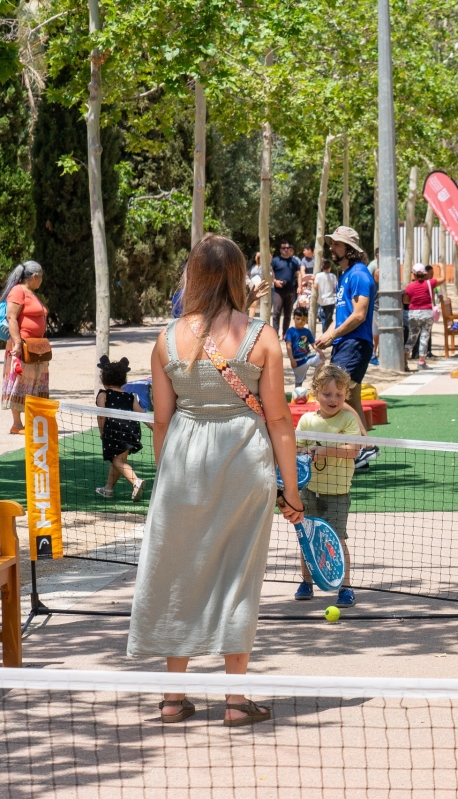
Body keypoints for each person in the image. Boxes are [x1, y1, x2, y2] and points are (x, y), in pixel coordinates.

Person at [129, 233, 304, 726]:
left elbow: (161, 420)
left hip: (183, 460)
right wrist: (290, 490)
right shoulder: (262, 336)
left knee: (175, 572)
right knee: (238, 576)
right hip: (244, 460)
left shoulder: (165, 340)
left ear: (194, 276)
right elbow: (279, 422)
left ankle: (172, 697)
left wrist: (168, 478)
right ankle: (234, 699)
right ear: (237, 277)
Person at [294, 363, 360, 607]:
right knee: (306, 539)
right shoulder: (307, 420)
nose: (333, 399)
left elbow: (353, 450)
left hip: (338, 493)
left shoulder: (348, 419)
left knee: (337, 540)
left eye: (339, 395)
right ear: (315, 393)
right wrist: (307, 451)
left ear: (346, 395)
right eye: (327, 394)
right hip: (309, 490)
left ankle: (346, 586)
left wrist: (326, 450)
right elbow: (296, 448)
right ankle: (306, 582)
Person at [314, 226, 377, 461]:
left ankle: (365, 448)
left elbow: (359, 315)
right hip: (346, 343)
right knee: (350, 398)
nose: (332, 247)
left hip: (355, 344)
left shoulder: (360, 274)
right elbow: (341, 317)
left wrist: (333, 336)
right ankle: (364, 449)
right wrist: (326, 336)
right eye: (332, 243)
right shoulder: (345, 276)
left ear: (349, 249)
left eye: (337, 244)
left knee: (335, 396)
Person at [2, 261, 49, 434]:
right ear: (35, 277)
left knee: (34, 383)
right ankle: (17, 424)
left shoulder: (30, 293)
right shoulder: (18, 291)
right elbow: (12, 317)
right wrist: (17, 344)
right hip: (22, 346)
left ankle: (31, 422)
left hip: (37, 347)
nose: (42, 280)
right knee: (20, 382)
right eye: (41, 277)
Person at [94, 355, 147, 501]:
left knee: (118, 461)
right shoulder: (130, 396)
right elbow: (142, 414)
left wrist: (102, 432)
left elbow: (101, 415)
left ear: (103, 379)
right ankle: (108, 489)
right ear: (123, 379)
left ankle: (136, 481)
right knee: (118, 459)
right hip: (131, 432)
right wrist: (155, 427)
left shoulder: (103, 395)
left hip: (113, 432)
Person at [404, 263, 438, 368]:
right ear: (425, 273)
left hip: (413, 313)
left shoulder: (409, 286)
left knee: (411, 337)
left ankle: (404, 361)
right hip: (427, 313)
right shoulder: (430, 283)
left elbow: (405, 301)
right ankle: (421, 362)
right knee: (424, 337)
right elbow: (443, 278)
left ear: (413, 274)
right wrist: (440, 267)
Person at [285, 307, 323, 395]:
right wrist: (291, 359)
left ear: (306, 320)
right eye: (298, 319)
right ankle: (297, 397)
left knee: (320, 361)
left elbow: (313, 344)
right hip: (298, 360)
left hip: (307, 356)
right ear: (293, 318)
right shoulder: (290, 332)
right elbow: (288, 346)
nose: (300, 321)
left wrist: (320, 352)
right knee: (299, 382)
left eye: (303, 319)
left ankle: (315, 382)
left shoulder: (307, 332)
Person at [270, 241, 302, 338]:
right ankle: (275, 333)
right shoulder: (275, 261)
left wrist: (300, 286)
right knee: (276, 312)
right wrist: (275, 281)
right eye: (284, 248)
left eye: (287, 248)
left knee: (288, 314)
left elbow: (298, 274)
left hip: (290, 290)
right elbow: (270, 273)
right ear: (280, 250)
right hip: (278, 291)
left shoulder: (294, 261)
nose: (286, 250)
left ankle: (285, 333)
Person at [313, 260, 338, 333]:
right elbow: (335, 287)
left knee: (323, 318)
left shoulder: (318, 275)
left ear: (321, 267)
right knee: (329, 318)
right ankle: (330, 332)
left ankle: (324, 332)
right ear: (330, 267)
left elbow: (315, 286)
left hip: (321, 300)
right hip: (330, 300)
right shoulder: (333, 276)